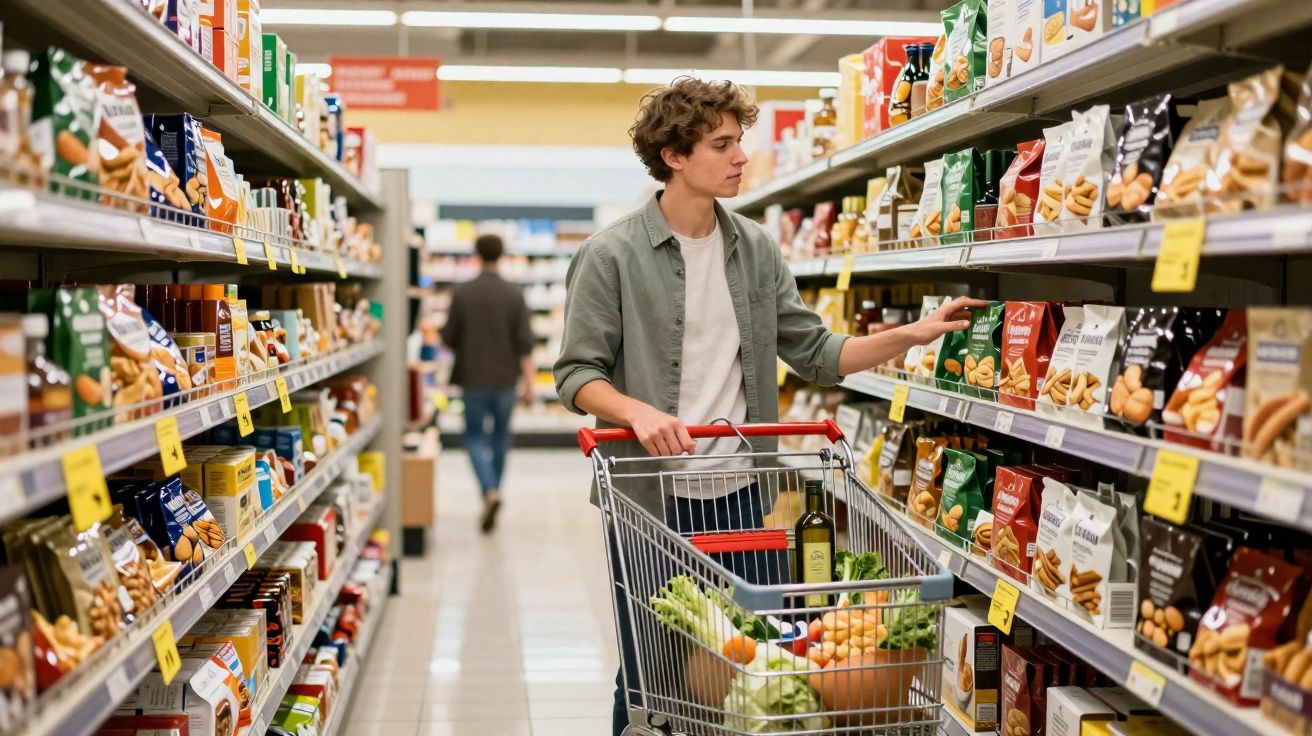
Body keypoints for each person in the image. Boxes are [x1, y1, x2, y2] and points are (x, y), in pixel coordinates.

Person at [552, 76, 984, 735]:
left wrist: (913, 334)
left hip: (742, 495)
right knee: (654, 671)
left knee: (752, 660)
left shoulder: (754, 249)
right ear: (673, 155)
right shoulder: (610, 255)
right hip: (650, 501)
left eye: (738, 142)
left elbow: (814, 350)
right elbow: (576, 374)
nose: (740, 157)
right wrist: (637, 412)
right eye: (721, 144)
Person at [440, 233, 536, 533]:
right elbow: (525, 344)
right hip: (506, 379)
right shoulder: (514, 294)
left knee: (473, 437)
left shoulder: (463, 292)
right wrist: (530, 381)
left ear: (477, 254)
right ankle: (494, 487)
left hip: (473, 378)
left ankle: (488, 490)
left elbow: (449, 338)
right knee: (500, 439)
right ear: (502, 253)